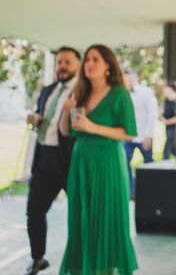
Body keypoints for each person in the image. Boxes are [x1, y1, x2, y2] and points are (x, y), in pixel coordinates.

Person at [59, 44, 138, 275]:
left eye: (95, 59)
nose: (89, 64)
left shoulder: (119, 93)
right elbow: (66, 131)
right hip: (81, 161)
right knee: (80, 216)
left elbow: (129, 132)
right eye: (87, 60)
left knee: (106, 217)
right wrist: (66, 111)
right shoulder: (80, 92)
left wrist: (93, 127)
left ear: (107, 66)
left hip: (107, 161)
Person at [23, 47, 81, 275]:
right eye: (59, 62)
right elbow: (42, 115)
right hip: (44, 158)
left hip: (71, 160)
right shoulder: (48, 90)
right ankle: (38, 258)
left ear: (78, 64)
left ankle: (81, 258)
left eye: (67, 62)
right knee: (34, 211)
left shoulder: (83, 91)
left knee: (79, 212)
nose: (62, 66)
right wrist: (36, 118)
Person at [123, 70, 158, 195]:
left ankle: (151, 191)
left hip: (144, 136)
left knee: (149, 164)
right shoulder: (123, 94)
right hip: (127, 137)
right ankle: (129, 192)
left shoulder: (146, 93)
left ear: (135, 79)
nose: (127, 82)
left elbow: (152, 114)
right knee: (124, 163)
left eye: (130, 79)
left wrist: (148, 135)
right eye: (125, 80)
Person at [160, 83, 176, 160]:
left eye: (165, 89)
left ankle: (164, 169)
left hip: (175, 129)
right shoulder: (167, 101)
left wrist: (167, 121)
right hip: (168, 128)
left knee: (166, 152)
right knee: (174, 151)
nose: (164, 91)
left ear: (171, 89)